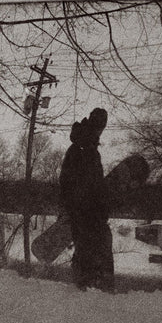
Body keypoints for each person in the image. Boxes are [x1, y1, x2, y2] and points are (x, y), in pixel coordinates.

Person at [59, 108, 114, 291]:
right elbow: (67, 182)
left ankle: (95, 285)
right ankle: (83, 288)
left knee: (98, 245)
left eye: (102, 126)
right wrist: (71, 208)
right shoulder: (80, 149)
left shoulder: (90, 149)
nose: (100, 130)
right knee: (87, 248)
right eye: (99, 125)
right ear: (93, 124)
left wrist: (102, 205)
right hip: (82, 210)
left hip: (91, 210)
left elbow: (96, 185)